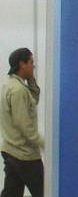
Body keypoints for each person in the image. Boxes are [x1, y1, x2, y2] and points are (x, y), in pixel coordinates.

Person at [1, 48, 43, 197]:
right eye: (31, 62)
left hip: (11, 150)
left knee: (11, 193)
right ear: (22, 64)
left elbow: (33, 100)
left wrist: (31, 80)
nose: (33, 66)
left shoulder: (9, 85)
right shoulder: (18, 90)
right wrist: (43, 143)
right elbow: (23, 124)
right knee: (44, 191)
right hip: (25, 154)